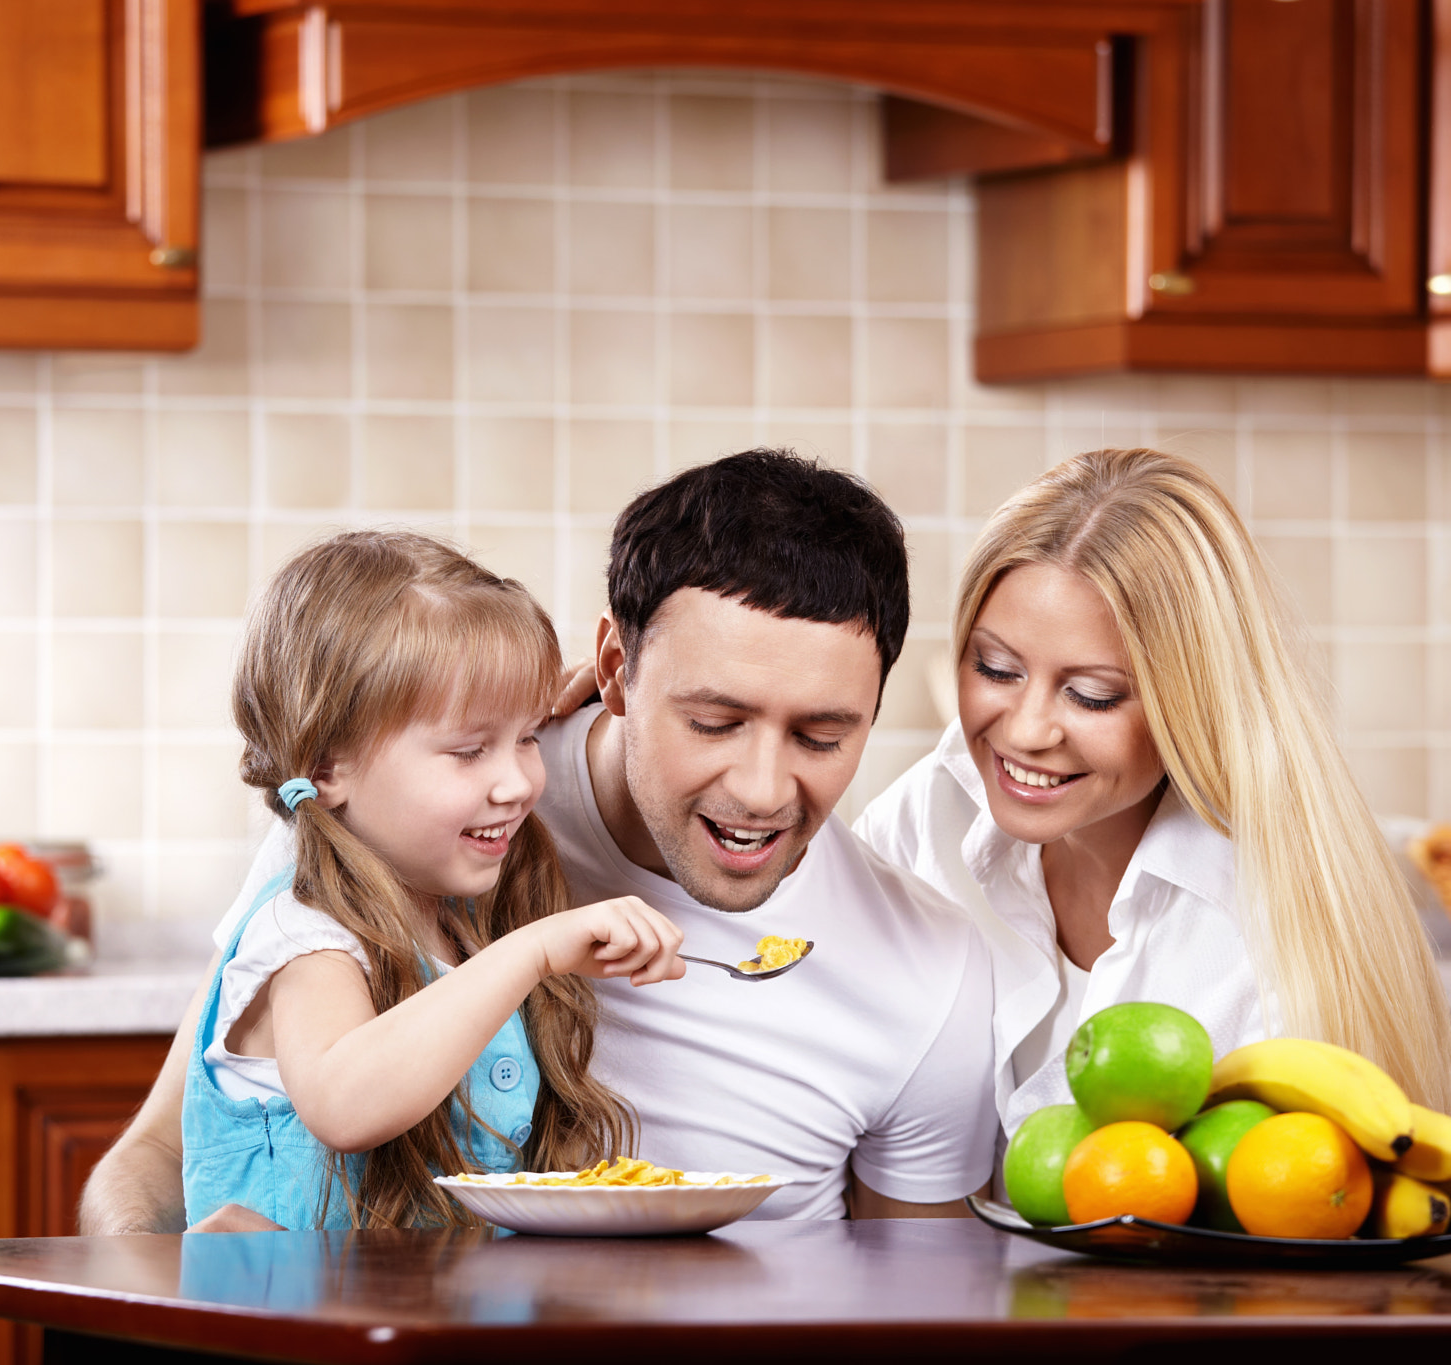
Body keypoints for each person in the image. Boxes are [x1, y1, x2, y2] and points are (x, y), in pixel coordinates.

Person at [80, 450, 999, 1234]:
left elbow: (916, 1306)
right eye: (713, 721)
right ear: (614, 672)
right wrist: (177, 1299)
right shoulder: (403, 822)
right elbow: (165, 1153)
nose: (762, 790)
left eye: (822, 737)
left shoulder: (929, 971)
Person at [854, 447, 1451, 1146]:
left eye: (1092, 695)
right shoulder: (921, 823)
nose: (1024, 730)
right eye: (996, 667)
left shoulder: (1270, 924)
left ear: (1191, 702)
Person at [182, 530, 685, 1229]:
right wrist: (531, 953)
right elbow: (345, 1102)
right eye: (469, 750)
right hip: (300, 1330)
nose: (516, 782)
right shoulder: (305, 934)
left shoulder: (459, 922)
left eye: (528, 736)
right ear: (328, 766)